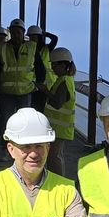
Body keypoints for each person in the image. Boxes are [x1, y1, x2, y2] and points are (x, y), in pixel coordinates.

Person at [0, 18, 38, 137]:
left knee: (25, 121)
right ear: (10, 33)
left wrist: (36, 85)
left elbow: (40, 68)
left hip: (25, 92)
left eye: (18, 32)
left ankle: (22, 144)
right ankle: (5, 146)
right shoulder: (2, 48)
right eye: (13, 32)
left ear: (23, 33)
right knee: (6, 120)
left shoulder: (32, 48)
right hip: (7, 92)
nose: (16, 35)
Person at [43, 47, 76, 177]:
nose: (53, 68)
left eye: (54, 65)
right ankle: (57, 179)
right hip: (59, 127)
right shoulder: (66, 80)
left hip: (59, 128)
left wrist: (45, 91)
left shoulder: (64, 82)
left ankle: (58, 182)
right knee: (56, 155)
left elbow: (57, 103)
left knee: (53, 156)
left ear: (63, 65)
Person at [26, 25, 57, 112]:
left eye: (34, 36)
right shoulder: (27, 49)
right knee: (34, 107)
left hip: (46, 85)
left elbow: (55, 39)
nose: (32, 39)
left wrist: (45, 33)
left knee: (43, 108)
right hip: (34, 84)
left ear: (39, 37)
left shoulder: (46, 49)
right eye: (31, 37)